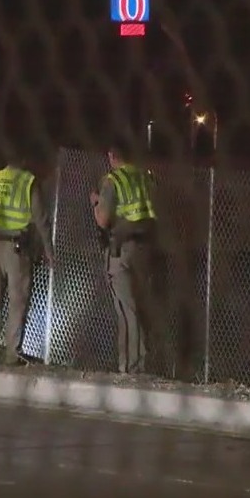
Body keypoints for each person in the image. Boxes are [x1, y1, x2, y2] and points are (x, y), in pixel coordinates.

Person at [0, 149, 53, 365]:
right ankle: (11, 354)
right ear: (25, 160)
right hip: (17, 249)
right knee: (17, 302)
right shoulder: (28, 182)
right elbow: (41, 220)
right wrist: (49, 251)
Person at [89, 144, 158, 374]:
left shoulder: (113, 180)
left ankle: (130, 367)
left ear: (111, 155)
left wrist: (96, 202)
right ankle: (141, 363)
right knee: (140, 307)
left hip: (121, 249)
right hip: (145, 248)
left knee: (126, 310)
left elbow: (103, 220)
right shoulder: (145, 177)